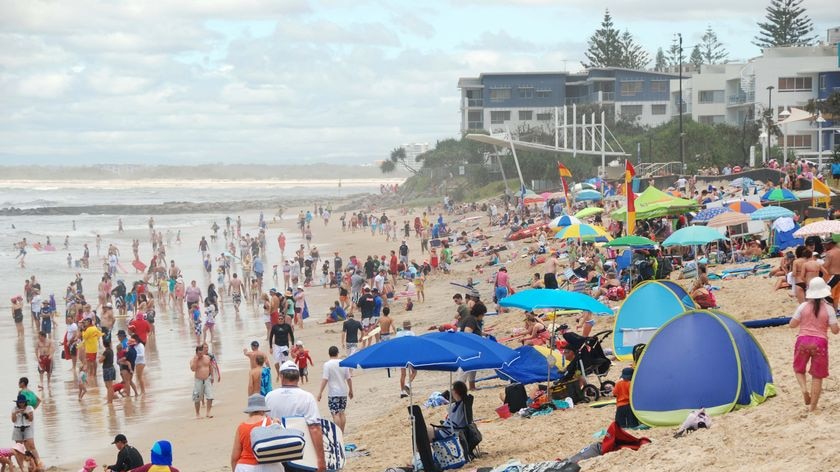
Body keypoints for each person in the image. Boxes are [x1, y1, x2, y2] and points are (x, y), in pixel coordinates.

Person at [265, 361, 326, 472]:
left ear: (281, 376)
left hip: (275, 452)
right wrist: (321, 460)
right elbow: (314, 428)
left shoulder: (269, 396)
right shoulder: (307, 397)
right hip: (300, 452)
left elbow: (264, 425)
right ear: (298, 377)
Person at [790, 277, 840, 411]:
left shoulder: (803, 306)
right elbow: (835, 331)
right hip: (820, 343)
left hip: (803, 340)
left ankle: (804, 390)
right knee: (818, 375)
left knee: (798, 369)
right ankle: (813, 407)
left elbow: (792, 325)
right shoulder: (829, 309)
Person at [230, 394, 283, 472]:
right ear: (263, 409)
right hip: (269, 466)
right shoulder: (272, 423)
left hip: (245, 467)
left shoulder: (241, 427)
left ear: (249, 411)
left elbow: (234, 457)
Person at [317, 346, 353, 432]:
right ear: (337, 353)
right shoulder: (343, 363)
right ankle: (342, 432)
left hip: (333, 392)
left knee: (335, 414)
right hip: (343, 391)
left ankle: (338, 433)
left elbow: (325, 379)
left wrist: (320, 392)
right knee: (342, 412)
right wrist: (351, 390)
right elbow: (348, 378)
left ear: (329, 354)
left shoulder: (327, 364)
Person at [11, 394, 41, 468]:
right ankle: (23, 465)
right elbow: (13, 420)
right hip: (17, 429)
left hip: (27, 428)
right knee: (19, 449)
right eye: (20, 402)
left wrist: (26, 413)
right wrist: (15, 413)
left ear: (25, 402)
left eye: (23, 402)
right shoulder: (14, 409)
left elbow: (31, 419)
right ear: (17, 402)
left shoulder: (29, 408)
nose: (21, 404)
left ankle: (39, 463)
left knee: (32, 446)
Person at [190, 345, 214, 419]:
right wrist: (196, 360)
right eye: (199, 353)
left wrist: (212, 376)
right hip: (198, 380)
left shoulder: (207, 358)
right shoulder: (193, 359)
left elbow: (210, 367)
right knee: (197, 398)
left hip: (207, 379)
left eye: (201, 353)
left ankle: (208, 412)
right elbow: (193, 369)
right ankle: (197, 414)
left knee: (210, 396)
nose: (200, 355)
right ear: (196, 352)